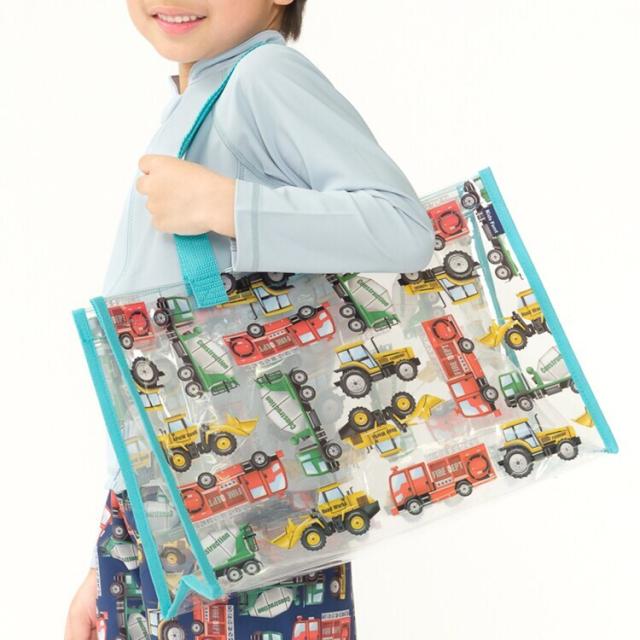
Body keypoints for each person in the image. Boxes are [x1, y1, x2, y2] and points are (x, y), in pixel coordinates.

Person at [65, 1, 434, 638]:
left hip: (246, 512)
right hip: (174, 511)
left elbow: (403, 229)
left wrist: (226, 204)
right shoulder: (196, 98)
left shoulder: (263, 78)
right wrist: (115, 551)